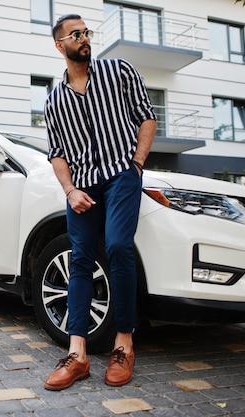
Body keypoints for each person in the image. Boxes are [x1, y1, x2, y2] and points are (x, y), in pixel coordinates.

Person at [43, 13, 157, 391]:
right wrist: (70, 190)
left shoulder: (118, 71)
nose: (84, 38)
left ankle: (123, 346)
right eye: (76, 34)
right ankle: (78, 355)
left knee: (119, 247)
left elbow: (146, 117)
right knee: (80, 260)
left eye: (86, 32)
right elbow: (57, 152)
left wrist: (137, 164)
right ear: (60, 45)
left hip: (122, 174)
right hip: (83, 188)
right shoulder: (54, 100)